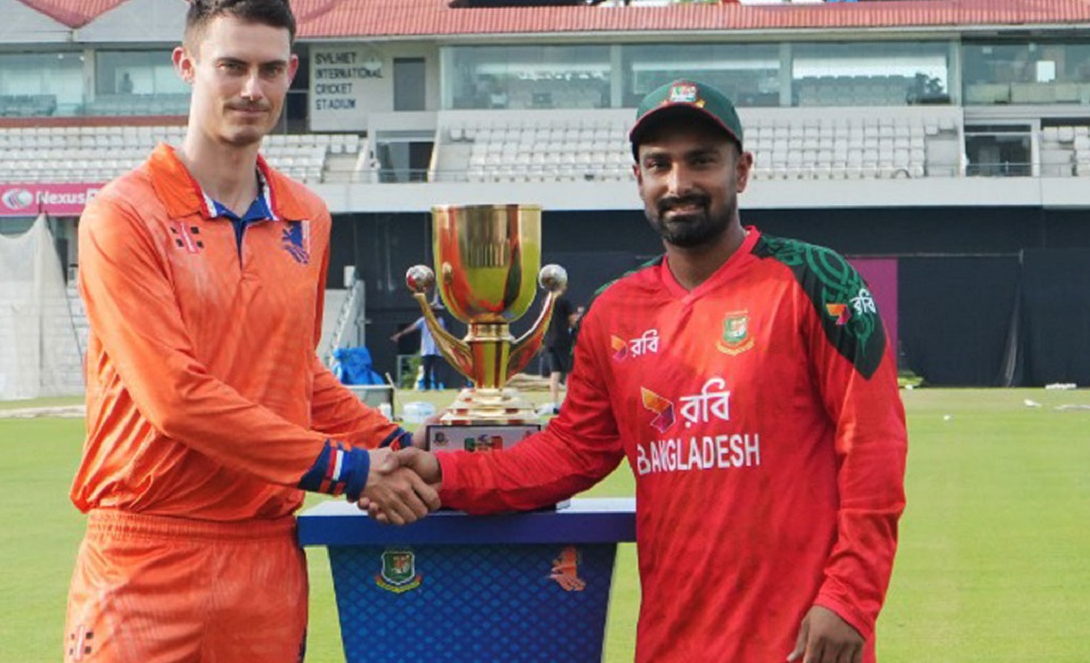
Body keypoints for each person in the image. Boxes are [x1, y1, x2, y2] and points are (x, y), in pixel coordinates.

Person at [369, 79, 908, 663]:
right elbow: (569, 452)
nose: (679, 183)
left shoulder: (817, 281)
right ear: (639, 178)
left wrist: (849, 598)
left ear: (742, 170)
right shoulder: (614, 310)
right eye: (659, 165)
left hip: (799, 641)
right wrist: (445, 471)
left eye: (701, 161)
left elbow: (873, 448)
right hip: (673, 641)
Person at [63, 0, 437, 663]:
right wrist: (350, 469)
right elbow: (175, 397)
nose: (252, 89)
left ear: (291, 72)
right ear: (187, 66)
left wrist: (406, 443)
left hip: (266, 558)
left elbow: (297, 376)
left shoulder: (307, 216)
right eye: (231, 66)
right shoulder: (124, 215)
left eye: (270, 69)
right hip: (147, 555)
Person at [391, 302, 448, 390]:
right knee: (426, 369)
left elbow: (444, 334)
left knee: (437, 370)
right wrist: (400, 334)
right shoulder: (424, 320)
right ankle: (426, 387)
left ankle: (437, 387)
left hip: (437, 349)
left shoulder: (440, 321)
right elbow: (412, 327)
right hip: (427, 349)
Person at [538, 294, 578, 413]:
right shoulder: (564, 301)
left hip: (549, 341)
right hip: (562, 341)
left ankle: (555, 402)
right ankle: (570, 402)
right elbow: (572, 321)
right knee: (569, 371)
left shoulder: (546, 301)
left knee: (555, 372)